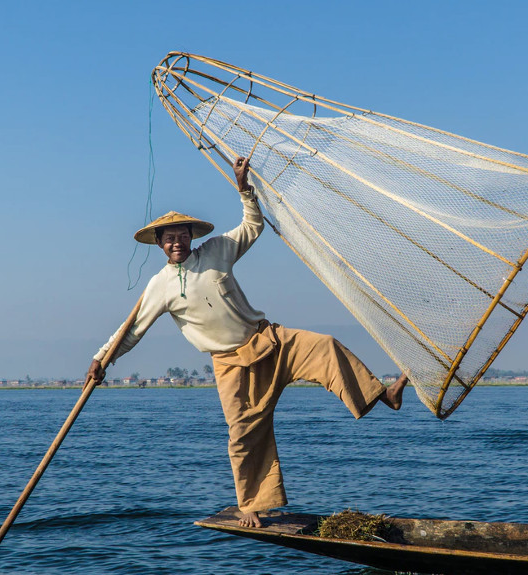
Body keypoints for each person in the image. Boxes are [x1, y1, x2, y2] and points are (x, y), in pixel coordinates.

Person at [87, 156, 408, 528]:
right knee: (243, 433)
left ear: (192, 237)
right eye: (169, 237)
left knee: (326, 346)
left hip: (269, 341)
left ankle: (383, 395)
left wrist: (244, 190)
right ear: (159, 244)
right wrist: (101, 359)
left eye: (182, 235)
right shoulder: (159, 286)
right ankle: (251, 504)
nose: (176, 242)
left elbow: (252, 226)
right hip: (230, 364)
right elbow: (131, 331)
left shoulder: (218, 251)